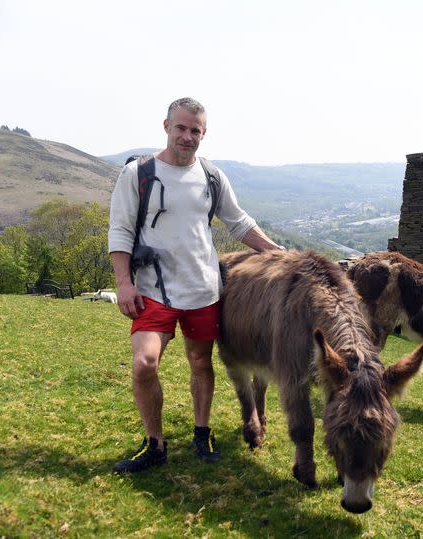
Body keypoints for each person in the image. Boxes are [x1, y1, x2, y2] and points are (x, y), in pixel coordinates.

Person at [108, 97, 283, 473]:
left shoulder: (212, 176)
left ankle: (202, 434)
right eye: (182, 128)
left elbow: (238, 222)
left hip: (204, 289)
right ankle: (154, 444)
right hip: (154, 289)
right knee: (144, 363)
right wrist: (124, 282)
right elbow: (120, 230)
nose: (187, 136)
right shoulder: (138, 173)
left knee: (201, 362)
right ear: (167, 126)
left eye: (195, 130)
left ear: (204, 134)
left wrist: (278, 253)